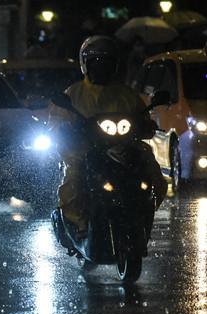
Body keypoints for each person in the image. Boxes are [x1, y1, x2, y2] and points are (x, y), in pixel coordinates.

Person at [48, 35, 167, 236]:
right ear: (86, 64)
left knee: (151, 166)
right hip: (85, 149)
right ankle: (80, 223)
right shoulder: (73, 93)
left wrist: (146, 124)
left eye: (106, 62)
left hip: (124, 148)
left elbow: (141, 116)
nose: (101, 67)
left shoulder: (126, 94)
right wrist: (66, 128)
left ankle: (144, 213)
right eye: (96, 62)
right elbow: (57, 123)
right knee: (74, 177)